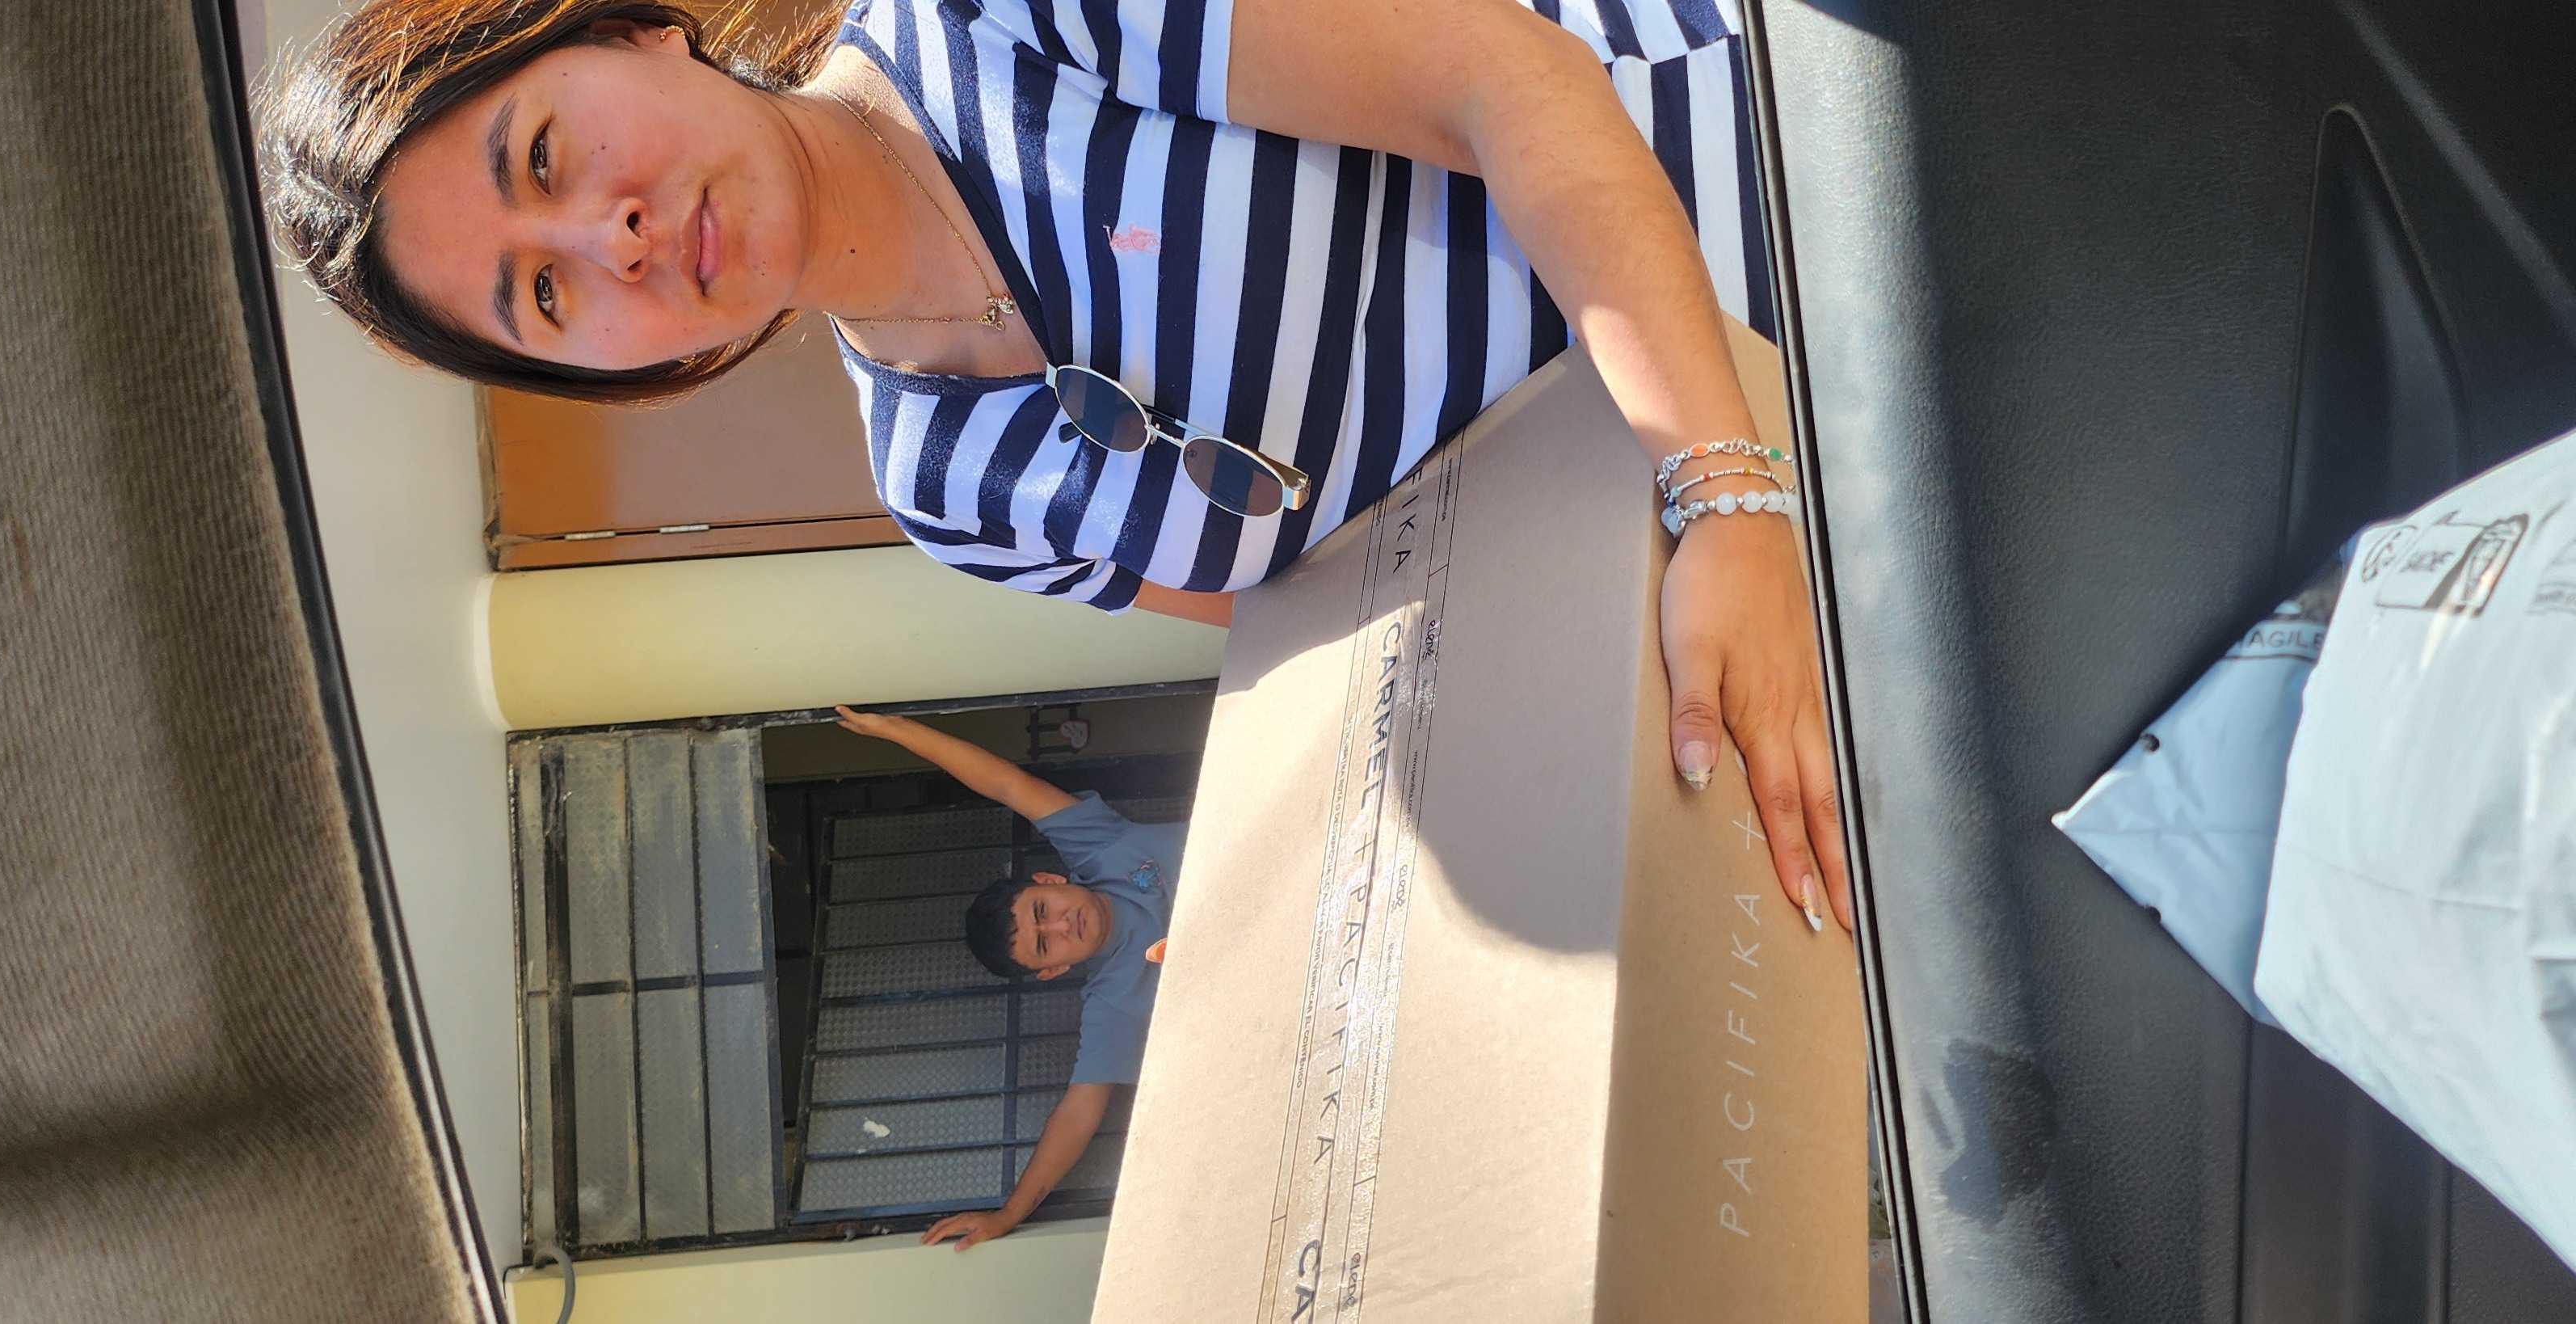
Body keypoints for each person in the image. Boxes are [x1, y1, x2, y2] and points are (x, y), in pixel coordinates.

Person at [260, 0, 1853, 931]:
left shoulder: (996, 21)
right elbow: (1353, 632)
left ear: (627, 30)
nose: (604, 236)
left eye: (544, 154)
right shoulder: (952, 494)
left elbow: (1505, 78)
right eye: (542, 298)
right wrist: (1286, 905)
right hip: (1812, 563)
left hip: (1830, 204)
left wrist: (1723, 495)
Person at [830, 706, 1177, 1250]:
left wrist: (894, 730)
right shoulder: (1113, 1006)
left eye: (1042, 909)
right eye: (1045, 944)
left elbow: (1006, 784)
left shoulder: (1097, 845)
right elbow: (1078, 1113)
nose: (1061, 925)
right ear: (1053, 970)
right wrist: (1009, 1214)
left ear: (1049, 880)